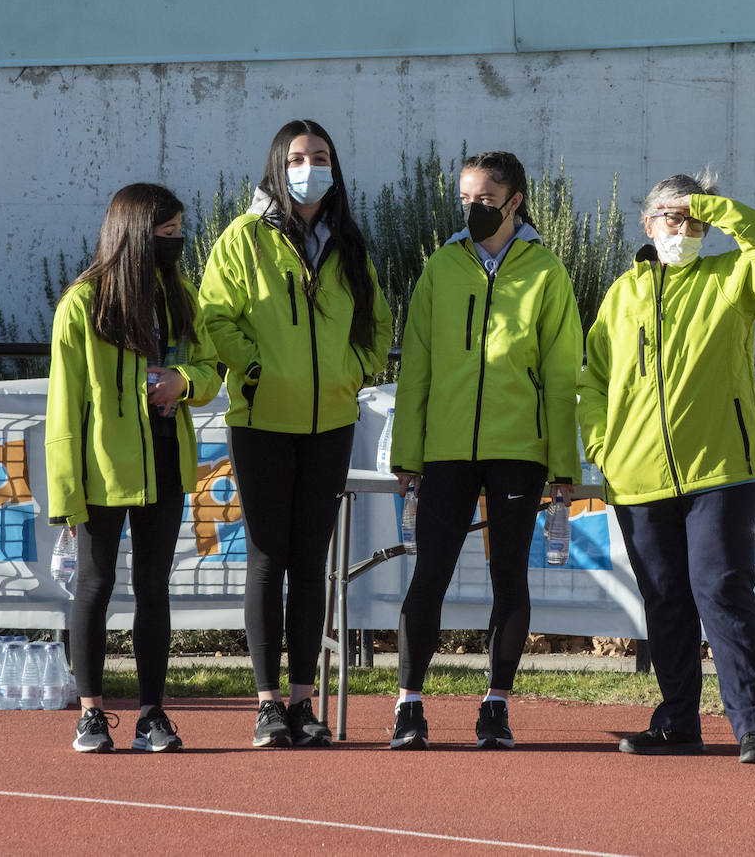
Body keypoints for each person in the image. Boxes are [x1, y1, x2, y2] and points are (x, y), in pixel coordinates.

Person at [577, 169, 755, 765]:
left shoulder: (730, 279)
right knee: (665, 597)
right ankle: (678, 721)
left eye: (694, 219)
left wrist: (713, 205)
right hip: (637, 476)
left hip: (722, 469)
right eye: (672, 218)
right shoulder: (621, 295)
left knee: (722, 589)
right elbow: (592, 379)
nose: (685, 228)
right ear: (647, 225)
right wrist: (603, 445)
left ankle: (753, 726)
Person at [198, 119, 393, 747]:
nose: (311, 167)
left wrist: (355, 372)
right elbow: (214, 319)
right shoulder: (240, 240)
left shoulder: (349, 243)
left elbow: (378, 323)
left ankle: (304, 702)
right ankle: (266, 704)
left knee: (311, 563)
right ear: (278, 164)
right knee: (266, 559)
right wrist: (254, 368)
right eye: (300, 157)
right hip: (260, 423)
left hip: (330, 422)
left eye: (323, 156)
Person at [388, 150, 583, 750]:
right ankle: (409, 705)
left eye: (486, 201)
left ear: (516, 201)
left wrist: (563, 465)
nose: (473, 210)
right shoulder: (440, 269)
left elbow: (560, 375)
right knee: (431, 575)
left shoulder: (546, 271)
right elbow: (415, 368)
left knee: (509, 579)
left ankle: (496, 706)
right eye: (465, 200)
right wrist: (407, 454)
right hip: (445, 450)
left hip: (518, 451)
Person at [45, 182, 221, 754]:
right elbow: (63, 410)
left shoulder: (179, 294)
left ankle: (152, 714)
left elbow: (209, 368)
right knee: (94, 585)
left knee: (154, 587)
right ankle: (91, 713)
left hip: (168, 462)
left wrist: (184, 383)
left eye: (178, 232)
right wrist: (66, 497)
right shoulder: (82, 303)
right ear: (133, 235)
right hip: (102, 471)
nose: (177, 243)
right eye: (165, 234)